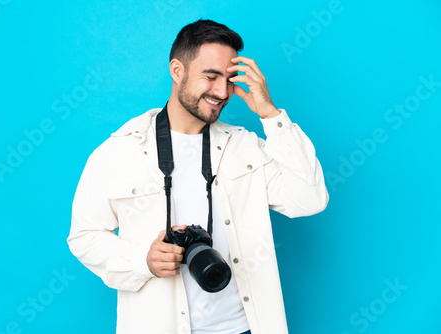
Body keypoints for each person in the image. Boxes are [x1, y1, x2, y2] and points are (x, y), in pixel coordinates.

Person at [67, 19, 329, 334]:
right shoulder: (118, 152)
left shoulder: (244, 146)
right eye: (211, 76)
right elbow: (84, 237)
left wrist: (271, 115)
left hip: (243, 328)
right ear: (177, 71)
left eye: (230, 79)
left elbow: (309, 200)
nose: (222, 91)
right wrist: (142, 260)